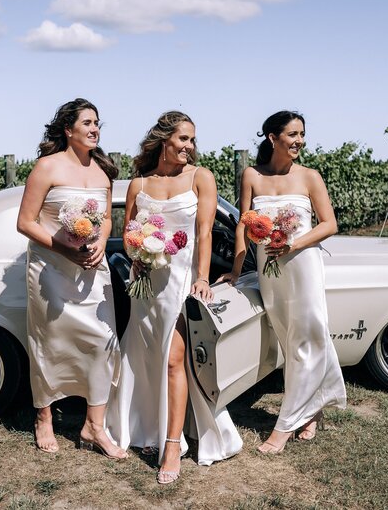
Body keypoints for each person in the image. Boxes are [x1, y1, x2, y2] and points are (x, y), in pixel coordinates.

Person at [106, 111, 243, 484]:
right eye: (183, 139)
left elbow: (204, 233)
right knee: (144, 355)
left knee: (173, 359)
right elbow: (131, 235)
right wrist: (141, 255)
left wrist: (202, 277)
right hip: (146, 284)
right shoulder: (139, 184)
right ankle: (146, 428)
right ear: (164, 140)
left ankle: (171, 444)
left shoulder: (201, 178)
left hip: (181, 283)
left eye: (193, 140)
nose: (190, 147)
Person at [219, 110, 346, 454]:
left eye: (302, 134)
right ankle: (313, 406)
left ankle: (284, 426)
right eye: (292, 134)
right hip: (268, 267)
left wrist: (292, 244)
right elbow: (244, 225)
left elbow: (329, 224)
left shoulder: (309, 177)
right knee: (291, 342)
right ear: (273, 138)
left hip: (302, 263)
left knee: (308, 334)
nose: (299, 141)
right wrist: (237, 268)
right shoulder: (251, 175)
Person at [16, 98, 127, 459]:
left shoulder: (103, 171)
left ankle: (94, 426)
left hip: (92, 270)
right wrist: (64, 249)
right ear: (68, 129)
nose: (95, 129)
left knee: (103, 340)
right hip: (50, 269)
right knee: (48, 342)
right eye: (88, 123)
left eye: (98, 123)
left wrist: (97, 243)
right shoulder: (46, 167)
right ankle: (44, 416)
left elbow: (108, 219)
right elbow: (26, 222)